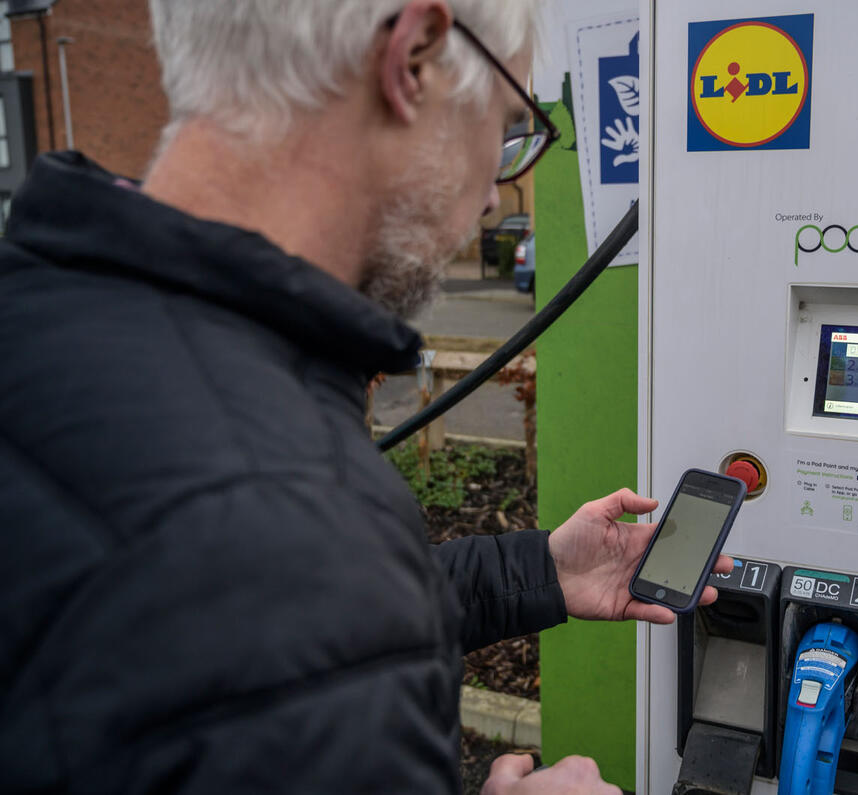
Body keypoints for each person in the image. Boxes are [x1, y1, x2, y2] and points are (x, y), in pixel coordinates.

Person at [0, 1, 732, 793]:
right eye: (509, 129)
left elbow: (254, 636)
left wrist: (539, 570)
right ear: (413, 58)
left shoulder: (43, 308)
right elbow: (288, 595)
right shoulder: (297, 514)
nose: (494, 196)